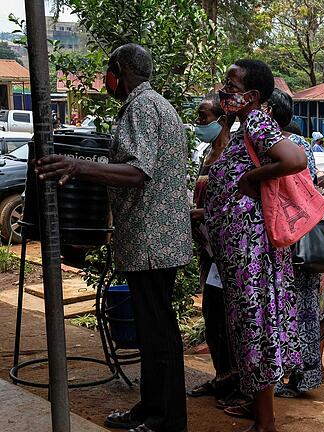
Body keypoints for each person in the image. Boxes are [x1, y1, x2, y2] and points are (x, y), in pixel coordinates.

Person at [35, 43, 192, 432]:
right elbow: (130, 164)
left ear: (119, 70)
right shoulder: (154, 105)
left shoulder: (141, 107)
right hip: (154, 238)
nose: (106, 80)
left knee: (158, 332)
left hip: (153, 240)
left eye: (108, 71)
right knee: (151, 328)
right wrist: (86, 166)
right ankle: (149, 407)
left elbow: (137, 172)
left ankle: (166, 419)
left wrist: (76, 164)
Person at [205, 59, 308, 432]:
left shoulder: (259, 120)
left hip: (251, 251)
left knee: (254, 325)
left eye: (231, 83)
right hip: (239, 249)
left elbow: (293, 159)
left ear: (252, 95)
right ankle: (262, 417)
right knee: (250, 326)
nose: (225, 89)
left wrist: (251, 177)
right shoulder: (242, 125)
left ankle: (265, 423)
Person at [264, 89, 324, 399]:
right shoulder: (303, 147)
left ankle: (276, 378)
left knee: (279, 308)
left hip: (280, 243)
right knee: (306, 308)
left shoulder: (275, 148)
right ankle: (306, 377)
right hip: (300, 239)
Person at [187, 93, 244, 408]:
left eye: (204, 117)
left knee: (229, 316)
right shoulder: (208, 152)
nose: (199, 123)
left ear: (223, 119)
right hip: (210, 248)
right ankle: (222, 375)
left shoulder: (235, 153)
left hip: (230, 248)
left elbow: (236, 202)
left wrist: (205, 214)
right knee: (212, 313)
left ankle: (237, 381)